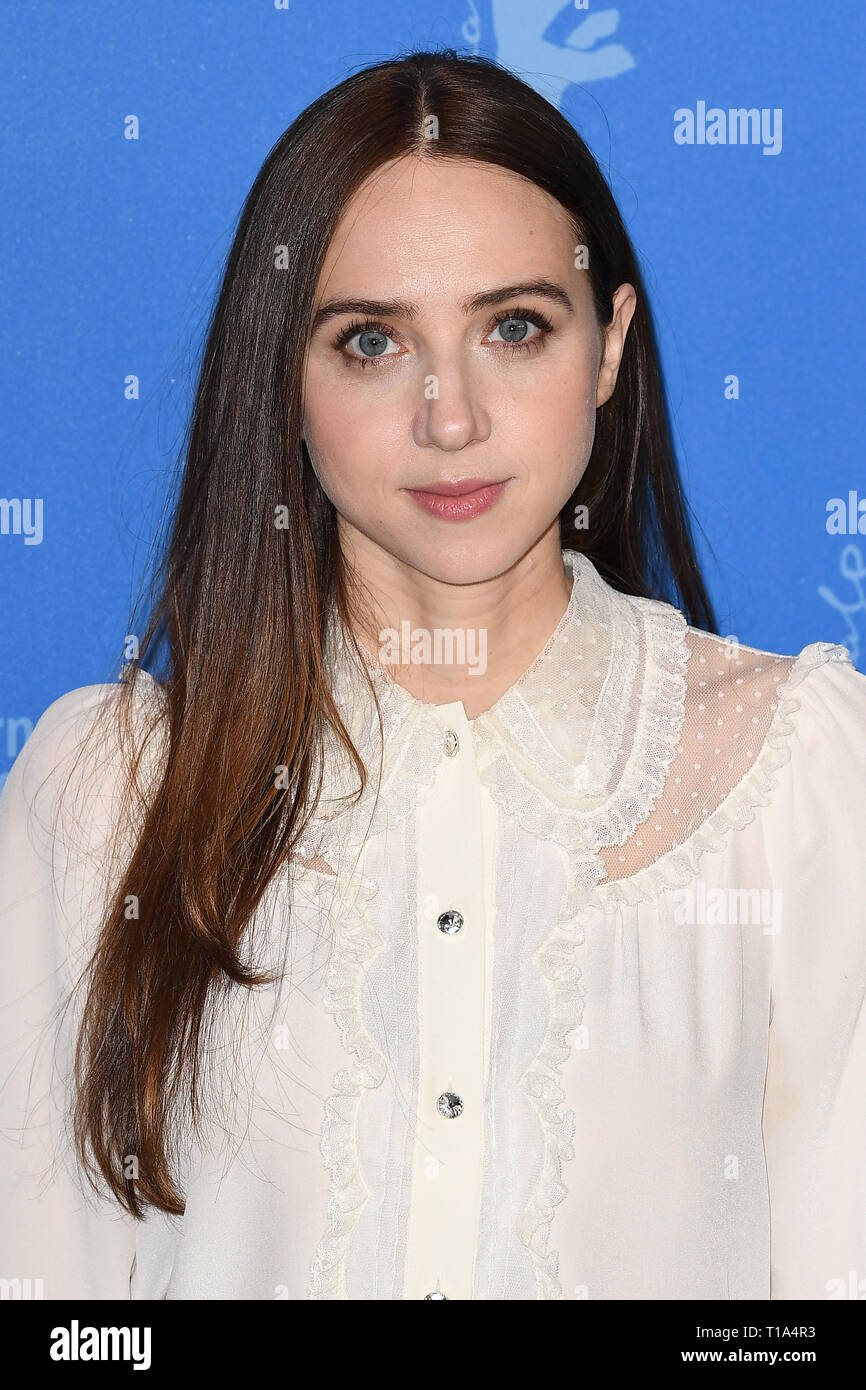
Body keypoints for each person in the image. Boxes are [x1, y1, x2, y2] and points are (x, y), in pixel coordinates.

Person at [1, 48, 865, 1302]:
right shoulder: (105, 795)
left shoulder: (797, 783)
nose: (447, 415)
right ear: (282, 379)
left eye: (513, 328)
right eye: (368, 342)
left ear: (609, 348)